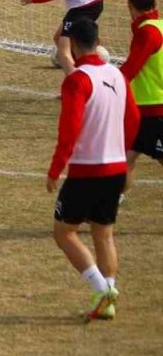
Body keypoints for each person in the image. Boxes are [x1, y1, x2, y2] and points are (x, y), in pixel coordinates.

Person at [47, 20, 138, 322]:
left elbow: (68, 130)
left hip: (87, 171)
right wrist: (120, 150)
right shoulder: (117, 74)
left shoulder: (77, 80)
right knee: (104, 234)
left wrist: (55, 168)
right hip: (115, 169)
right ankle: (108, 298)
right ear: (98, 41)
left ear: (71, 45)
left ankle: (101, 289)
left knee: (64, 232)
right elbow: (133, 119)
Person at [119, 0, 163, 192]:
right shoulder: (159, 27)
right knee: (124, 160)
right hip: (142, 111)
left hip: (155, 112)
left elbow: (131, 69)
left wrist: (105, 83)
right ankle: (110, 209)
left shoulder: (148, 33)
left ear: (130, 5)